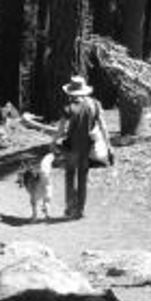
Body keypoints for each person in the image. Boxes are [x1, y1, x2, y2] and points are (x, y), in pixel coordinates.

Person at [54, 75, 113, 219]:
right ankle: (80, 210)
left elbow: (61, 129)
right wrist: (108, 145)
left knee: (70, 176)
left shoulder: (68, 108)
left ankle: (70, 208)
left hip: (71, 148)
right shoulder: (95, 104)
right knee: (82, 178)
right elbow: (103, 126)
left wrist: (54, 141)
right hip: (87, 148)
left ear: (70, 92)